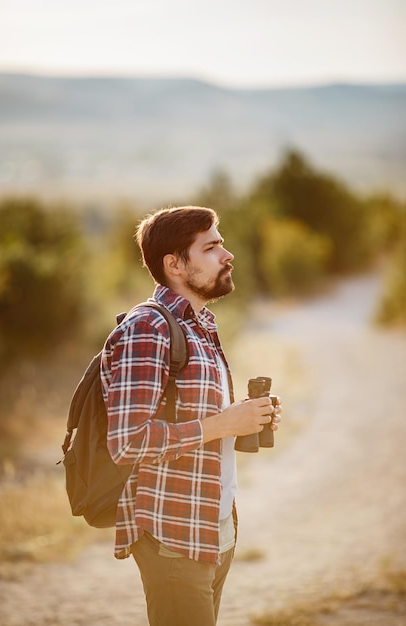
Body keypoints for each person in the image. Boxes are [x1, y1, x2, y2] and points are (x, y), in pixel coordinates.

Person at [100, 205, 282, 626]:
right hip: (173, 536)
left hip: (215, 526)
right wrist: (224, 424)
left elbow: (201, 420)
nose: (228, 254)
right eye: (212, 247)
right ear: (175, 264)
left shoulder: (201, 324)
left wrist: (250, 419)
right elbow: (127, 441)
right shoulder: (148, 329)